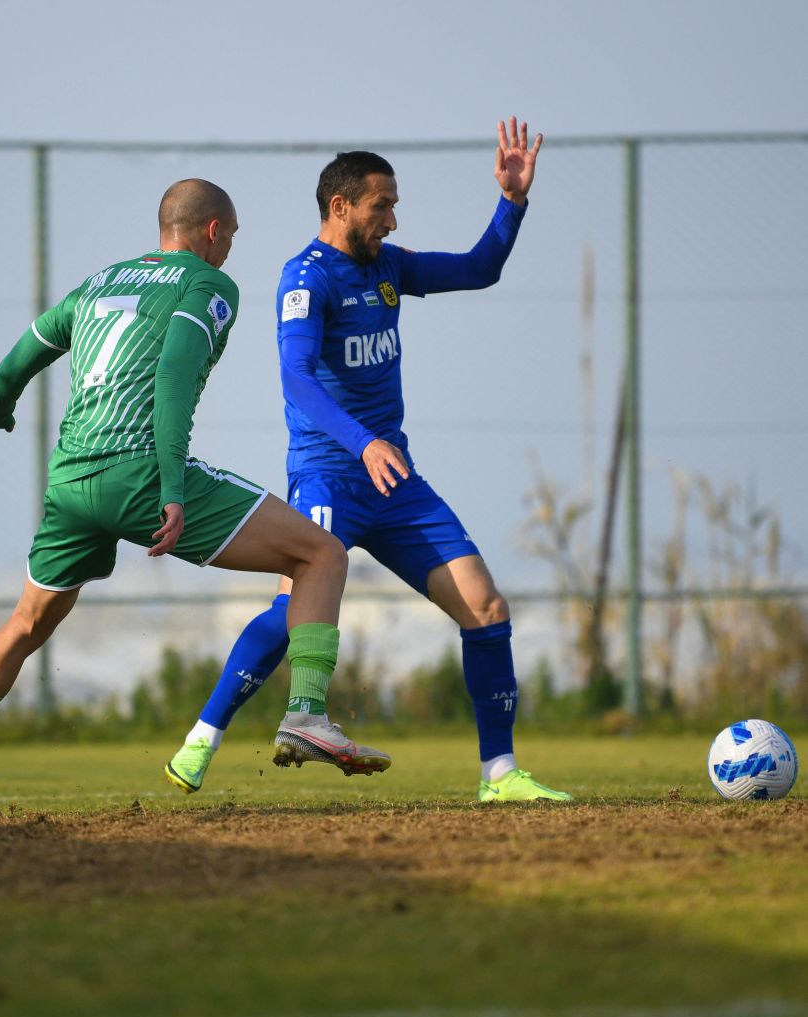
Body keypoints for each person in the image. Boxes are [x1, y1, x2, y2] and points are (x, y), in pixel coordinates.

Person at [0, 178, 391, 819]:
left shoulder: (101, 281)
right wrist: (170, 488)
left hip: (71, 481)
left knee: (24, 624)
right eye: (233, 237)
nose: (231, 251)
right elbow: (173, 378)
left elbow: (28, 349)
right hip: (141, 474)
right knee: (320, 555)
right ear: (212, 230)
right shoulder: (209, 286)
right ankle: (305, 714)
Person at [163, 119, 572, 803]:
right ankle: (203, 736)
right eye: (382, 204)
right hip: (329, 473)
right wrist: (363, 441)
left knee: (486, 605)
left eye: (393, 204)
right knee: (293, 609)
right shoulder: (305, 278)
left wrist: (512, 201)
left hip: (396, 481)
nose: (392, 217)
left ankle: (500, 774)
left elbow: (480, 268)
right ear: (340, 206)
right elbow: (297, 379)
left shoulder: (391, 266)